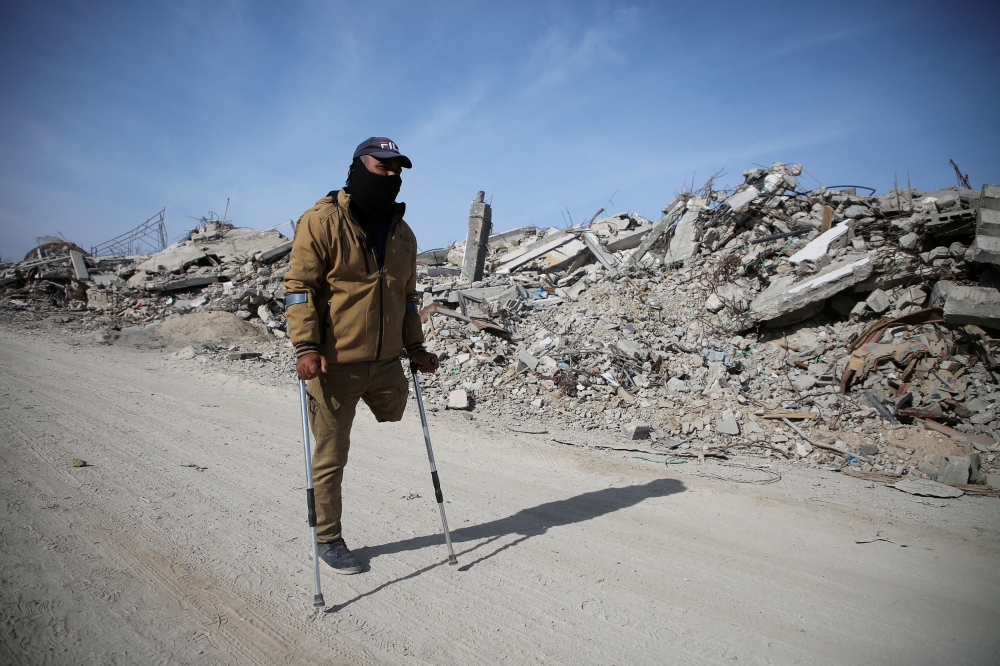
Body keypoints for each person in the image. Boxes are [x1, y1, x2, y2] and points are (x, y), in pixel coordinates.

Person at [283, 137, 439, 574]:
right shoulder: (321, 221)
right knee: (332, 454)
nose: (390, 175)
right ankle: (328, 538)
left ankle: (386, 386)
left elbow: (408, 298)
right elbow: (300, 291)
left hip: (387, 361)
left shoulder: (403, 233)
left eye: (397, 170)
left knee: (393, 414)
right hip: (335, 365)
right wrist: (307, 347)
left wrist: (416, 348)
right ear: (357, 167)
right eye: (381, 166)